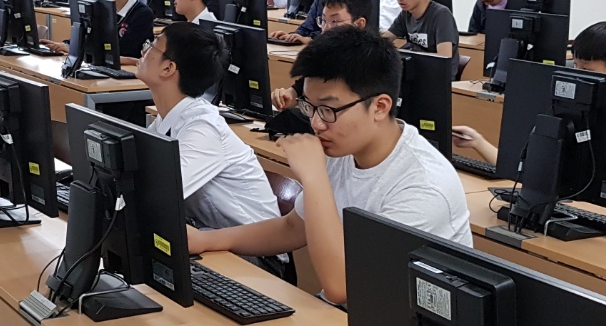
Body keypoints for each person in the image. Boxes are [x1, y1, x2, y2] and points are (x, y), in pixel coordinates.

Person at [188, 27, 473, 305]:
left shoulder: (423, 186)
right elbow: (292, 227)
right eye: (309, 106)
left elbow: (342, 287)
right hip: (350, 313)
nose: (316, 123)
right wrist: (205, 240)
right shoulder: (344, 146)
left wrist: (314, 177)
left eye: (328, 109)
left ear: (380, 107)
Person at [136, 21, 281, 235]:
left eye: (151, 46)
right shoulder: (166, 121)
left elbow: (159, 193)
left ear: (168, 68)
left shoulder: (204, 129)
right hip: (212, 235)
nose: (143, 50)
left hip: (254, 248)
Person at [451, 21, 606, 163]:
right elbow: (523, 168)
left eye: (586, 70)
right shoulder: (564, 110)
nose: (576, 75)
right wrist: (477, 142)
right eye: (575, 66)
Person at [271, 0, 372, 110]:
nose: (325, 29)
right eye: (323, 21)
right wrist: (287, 96)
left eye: (335, 21)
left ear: (359, 24)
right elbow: (300, 88)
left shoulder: (369, 62)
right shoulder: (326, 53)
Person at [389, 0, 459, 77]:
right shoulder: (406, 14)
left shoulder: (441, 15)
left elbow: (444, 59)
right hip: (414, 77)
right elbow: (385, 38)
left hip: (437, 79)